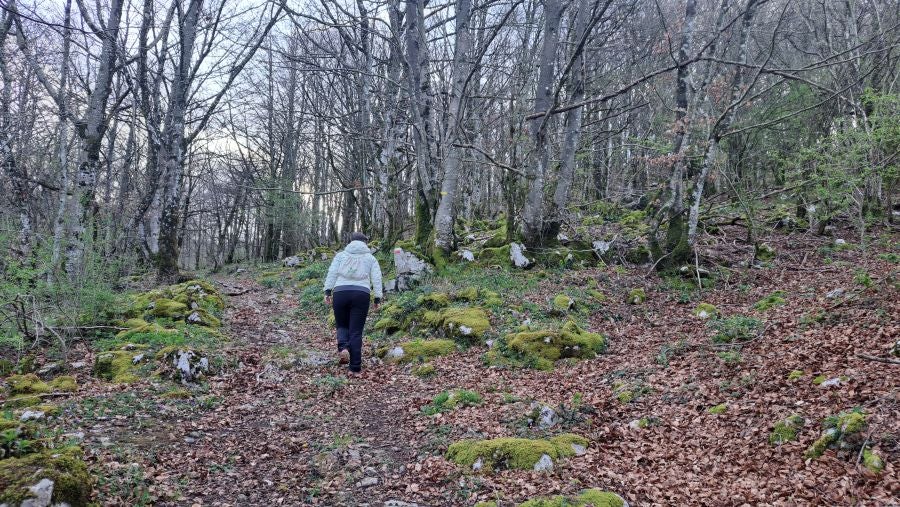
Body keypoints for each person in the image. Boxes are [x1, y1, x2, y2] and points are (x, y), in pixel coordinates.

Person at [323, 232, 383, 374]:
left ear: (351, 241)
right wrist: (377, 298)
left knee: (342, 324)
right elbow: (377, 278)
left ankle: (343, 348)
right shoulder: (370, 258)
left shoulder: (341, 256)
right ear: (365, 243)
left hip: (340, 292)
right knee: (356, 331)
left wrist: (327, 291)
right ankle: (355, 367)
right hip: (361, 293)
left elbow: (332, 273)